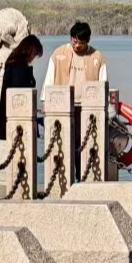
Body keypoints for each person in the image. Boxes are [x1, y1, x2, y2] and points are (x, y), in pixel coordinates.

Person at [42, 21, 108, 174]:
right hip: (63, 107)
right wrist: (46, 102)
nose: (77, 45)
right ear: (71, 38)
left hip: (87, 108)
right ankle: (63, 175)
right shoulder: (58, 54)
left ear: (88, 41)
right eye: (74, 41)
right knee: (63, 143)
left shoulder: (97, 57)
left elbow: (103, 83)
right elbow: (49, 80)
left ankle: (82, 176)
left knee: (84, 143)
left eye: (81, 42)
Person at [0, 34, 43, 140]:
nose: (34, 58)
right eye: (35, 54)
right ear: (30, 50)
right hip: (17, 119)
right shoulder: (18, 68)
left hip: (10, 116)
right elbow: (19, 93)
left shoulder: (13, 63)